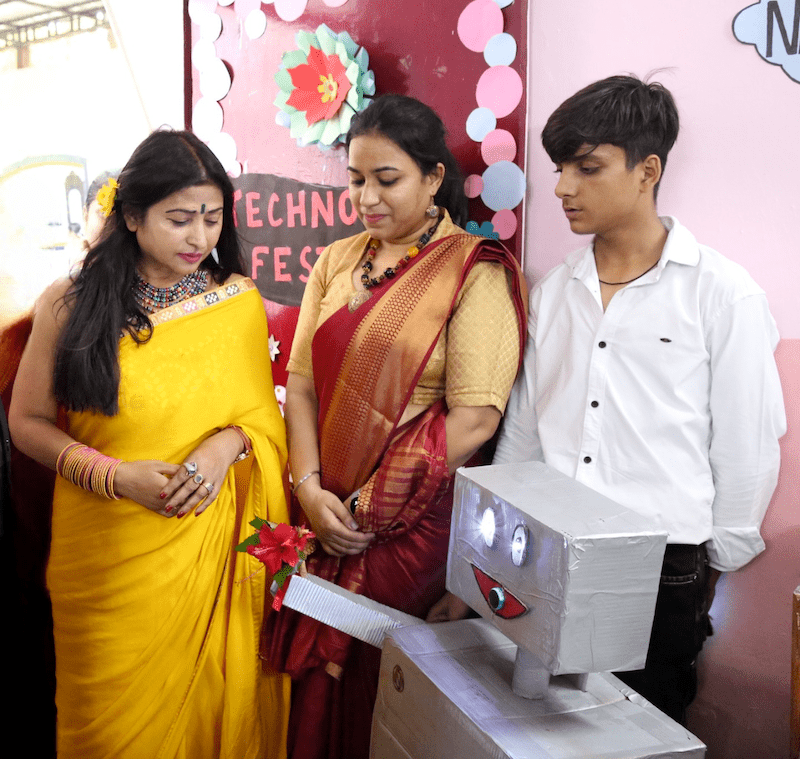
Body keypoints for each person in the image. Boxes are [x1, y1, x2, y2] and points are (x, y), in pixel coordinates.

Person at [494, 75, 786, 724]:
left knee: (639, 732)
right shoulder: (554, 292)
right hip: (547, 553)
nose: (562, 187)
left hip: (659, 570)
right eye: (559, 169)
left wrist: (707, 565)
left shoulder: (722, 293)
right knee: (535, 726)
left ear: (647, 170)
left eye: (587, 167)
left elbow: (746, 445)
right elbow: (525, 431)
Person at [9, 129, 290, 759]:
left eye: (213, 219)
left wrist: (226, 447)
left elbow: (261, 422)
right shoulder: (70, 304)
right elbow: (27, 422)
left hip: (205, 546)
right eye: (180, 219)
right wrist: (113, 477)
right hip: (105, 558)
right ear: (132, 216)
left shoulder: (235, 302)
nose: (200, 237)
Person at [262, 94, 528, 759]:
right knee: (314, 691)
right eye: (356, 179)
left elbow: (475, 419)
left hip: (411, 524)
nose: (367, 198)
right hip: (324, 507)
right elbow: (301, 385)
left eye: (387, 179)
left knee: (380, 686)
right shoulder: (336, 260)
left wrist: (365, 509)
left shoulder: (474, 270)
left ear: (434, 177)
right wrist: (310, 489)